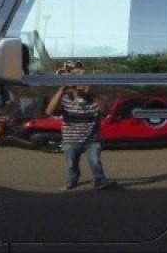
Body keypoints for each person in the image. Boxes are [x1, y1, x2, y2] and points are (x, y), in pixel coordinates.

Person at [45, 61, 115, 190]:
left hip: (92, 140)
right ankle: (72, 182)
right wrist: (62, 88)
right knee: (72, 165)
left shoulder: (94, 99)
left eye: (83, 78)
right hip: (71, 140)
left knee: (96, 163)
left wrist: (92, 93)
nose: (81, 83)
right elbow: (50, 111)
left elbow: (106, 111)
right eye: (77, 78)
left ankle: (100, 181)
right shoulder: (66, 98)